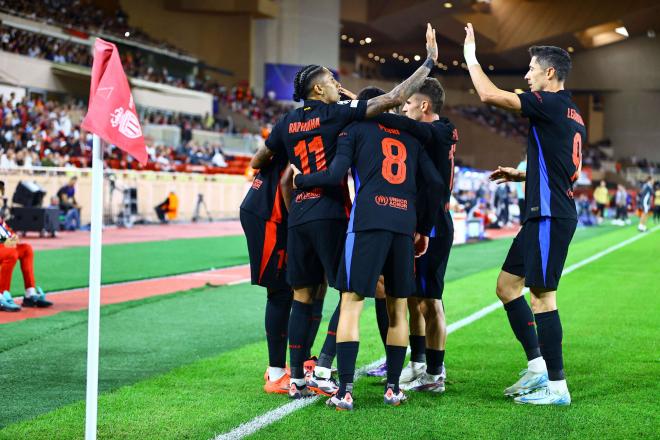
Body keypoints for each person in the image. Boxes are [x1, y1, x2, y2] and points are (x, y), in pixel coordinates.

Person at [250, 23, 439, 399]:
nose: (338, 84)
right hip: (332, 211)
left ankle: (298, 380)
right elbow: (392, 98)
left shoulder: (286, 122)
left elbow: (260, 160)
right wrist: (429, 62)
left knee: (303, 296)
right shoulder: (335, 115)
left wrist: (292, 174)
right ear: (318, 89)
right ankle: (324, 367)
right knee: (350, 293)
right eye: (332, 80)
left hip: (299, 217)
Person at [291, 86, 444, 410]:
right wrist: (423, 226)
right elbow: (435, 184)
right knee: (397, 307)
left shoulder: (355, 129)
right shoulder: (413, 137)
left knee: (351, 302)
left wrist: (301, 181)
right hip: (403, 225)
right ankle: (392, 389)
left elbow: (334, 175)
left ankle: (344, 390)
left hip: (368, 222)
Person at [465, 22, 585, 405]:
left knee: (542, 297)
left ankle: (557, 386)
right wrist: (522, 173)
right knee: (506, 286)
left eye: (532, 68)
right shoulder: (570, 112)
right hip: (544, 211)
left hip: (551, 214)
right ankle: (536, 368)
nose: (527, 74)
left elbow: (486, 94)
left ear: (550, 73)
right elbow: (566, 165)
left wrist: (470, 52)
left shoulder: (548, 102)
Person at [369, 78, 458, 393]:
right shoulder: (437, 132)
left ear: (424, 105)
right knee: (414, 298)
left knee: (431, 301)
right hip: (421, 223)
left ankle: (435, 374)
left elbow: (435, 185)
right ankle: (419, 364)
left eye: (407, 103)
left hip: (432, 223)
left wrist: (366, 107)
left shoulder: (437, 132)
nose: (403, 108)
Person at [0, 180, 53, 312]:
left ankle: (30, 293)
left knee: (26, 249)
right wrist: (7, 241)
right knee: (10, 253)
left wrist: (12, 239)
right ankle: (1, 293)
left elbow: (7, 232)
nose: (0, 198)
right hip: (3, 247)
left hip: (4, 246)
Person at [516, 155, 527, 221]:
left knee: (522, 220)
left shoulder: (520, 165)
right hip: (524, 198)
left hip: (521, 197)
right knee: (525, 221)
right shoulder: (524, 166)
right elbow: (523, 182)